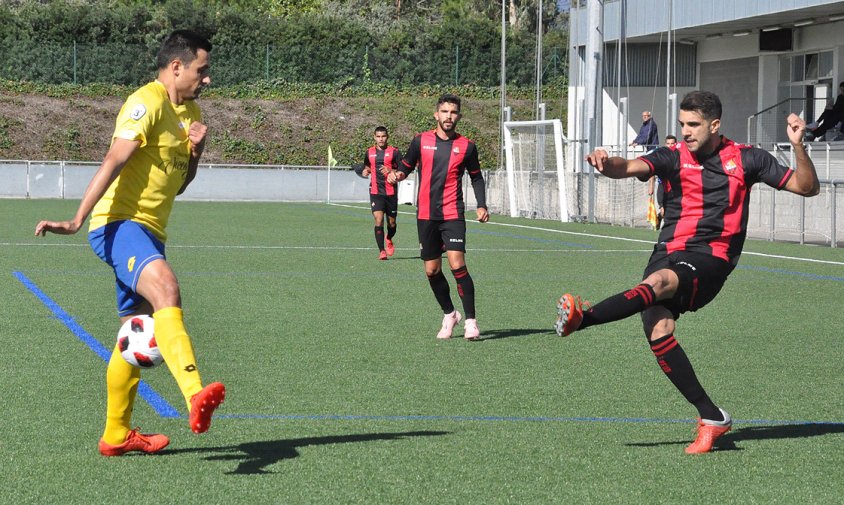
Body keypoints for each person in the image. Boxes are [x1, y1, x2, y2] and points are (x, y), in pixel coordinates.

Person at [555, 91, 819, 454]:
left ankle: (584, 318)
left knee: (659, 284)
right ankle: (712, 417)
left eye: (693, 125)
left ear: (714, 124)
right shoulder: (672, 156)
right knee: (658, 327)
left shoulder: (747, 158)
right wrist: (604, 162)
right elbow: (627, 167)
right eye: (681, 124)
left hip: (712, 257)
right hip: (666, 251)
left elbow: (807, 187)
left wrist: (798, 145)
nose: (686, 131)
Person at [34, 30, 226, 456]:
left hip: (149, 232)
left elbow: (178, 186)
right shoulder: (148, 101)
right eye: (202, 69)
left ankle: (116, 435)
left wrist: (196, 152)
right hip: (118, 224)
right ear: (177, 67)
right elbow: (114, 159)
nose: (207, 79)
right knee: (167, 291)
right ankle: (194, 393)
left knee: (136, 336)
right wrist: (76, 219)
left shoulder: (188, 112)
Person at [388, 94, 489, 340]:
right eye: (444, 112)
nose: (449, 116)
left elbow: (476, 176)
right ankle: (450, 314)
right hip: (426, 215)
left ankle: (471, 323)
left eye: (453, 113)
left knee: (457, 264)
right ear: (436, 114)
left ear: (459, 117)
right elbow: (406, 166)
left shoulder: (467, 146)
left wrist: (482, 205)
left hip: (453, 212)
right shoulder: (420, 141)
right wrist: (397, 176)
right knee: (432, 271)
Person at [355, 126, 402, 260]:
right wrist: (365, 171)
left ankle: (389, 238)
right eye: (378, 136)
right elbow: (367, 166)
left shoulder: (395, 152)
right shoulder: (369, 152)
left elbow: (403, 168)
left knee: (392, 223)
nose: (381, 139)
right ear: (374, 137)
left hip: (391, 192)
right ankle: (382, 251)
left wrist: (391, 170)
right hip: (375, 191)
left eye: (383, 136)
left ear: (387, 137)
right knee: (378, 219)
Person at [647, 135, 677, 228]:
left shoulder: (679, 154)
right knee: (664, 211)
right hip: (662, 187)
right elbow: (652, 169)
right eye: (668, 144)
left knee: (672, 212)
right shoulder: (661, 155)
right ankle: (659, 218)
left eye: (672, 143)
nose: (670, 146)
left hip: (675, 187)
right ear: (665, 144)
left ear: (676, 144)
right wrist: (651, 185)